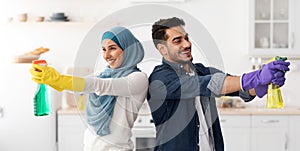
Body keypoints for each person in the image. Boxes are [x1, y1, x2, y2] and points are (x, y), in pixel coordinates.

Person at [147, 17, 290, 151]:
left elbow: (240, 89)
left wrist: (264, 83)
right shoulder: (161, 78)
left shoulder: (201, 70)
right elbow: (206, 84)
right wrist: (256, 76)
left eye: (187, 38)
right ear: (162, 49)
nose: (187, 44)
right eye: (177, 41)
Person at [30, 26, 148, 151]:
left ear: (128, 49)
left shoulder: (138, 78)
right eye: (103, 49)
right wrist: (50, 79)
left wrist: (59, 79)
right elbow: (79, 87)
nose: (106, 55)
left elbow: (99, 85)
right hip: (90, 146)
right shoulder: (102, 74)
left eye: (112, 48)